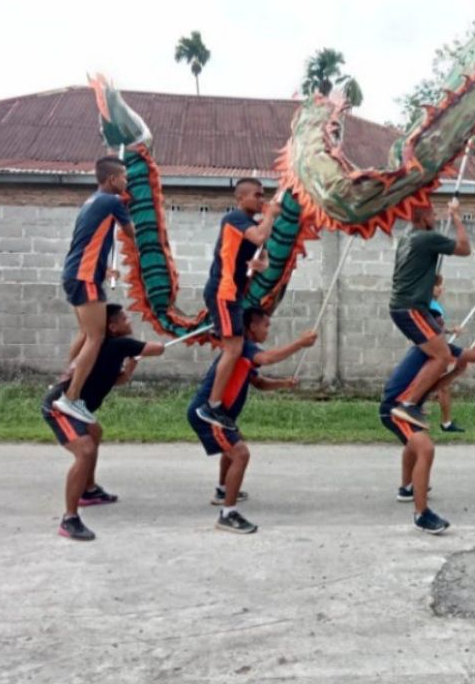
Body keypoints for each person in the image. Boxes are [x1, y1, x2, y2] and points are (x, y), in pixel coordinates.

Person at [187, 307, 317, 534]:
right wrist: (299, 343)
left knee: (234, 444)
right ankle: (227, 514)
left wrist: (284, 383)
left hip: (220, 416)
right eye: (266, 325)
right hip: (205, 414)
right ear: (252, 327)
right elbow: (267, 358)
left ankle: (222, 490)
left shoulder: (242, 354)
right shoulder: (244, 347)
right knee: (240, 453)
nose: (268, 330)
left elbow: (259, 382)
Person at [43, 303, 164, 541]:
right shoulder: (120, 344)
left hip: (79, 408)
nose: (130, 322)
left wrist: (128, 372)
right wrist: (158, 342)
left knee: (94, 433)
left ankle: (88, 491)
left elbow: (113, 380)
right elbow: (158, 349)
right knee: (86, 451)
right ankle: (69, 519)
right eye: (125, 319)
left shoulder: (108, 348)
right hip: (59, 408)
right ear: (113, 327)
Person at [380, 325, 475, 533]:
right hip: (394, 409)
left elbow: (430, 387)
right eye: (435, 322)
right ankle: (421, 514)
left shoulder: (434, 349)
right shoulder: (433, 348)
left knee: (414, 444)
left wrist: (456, 372)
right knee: (425, 448)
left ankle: (407, 489)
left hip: (402, 408)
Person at [195, 178, 282, 431]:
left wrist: (259, 264)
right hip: (223, 292)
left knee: (234, 346)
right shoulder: (234, 219)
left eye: (263, 195)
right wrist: (272, 214)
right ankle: (212, 405)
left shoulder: (248, 224)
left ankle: (215, 402)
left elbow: (262, 254)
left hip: (233, 294)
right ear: (240, 199)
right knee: (233, 348)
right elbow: (259, 236)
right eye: (257, 195)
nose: (261, 200)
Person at [54, 156, 133, 423]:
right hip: (84, 276)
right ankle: (72, 397)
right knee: (97, 337)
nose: (126, 181)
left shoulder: (93, 201)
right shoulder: (112, 201)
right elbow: (132, 233)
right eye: (123, 176)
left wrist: (104, 270)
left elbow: (90, 241)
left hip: (78, 273)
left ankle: (67, 380)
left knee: (87, 333)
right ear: (112, 179)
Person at [388, 200, 471, 428]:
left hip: (404, 307)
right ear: (423, 217)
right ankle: (408, 404)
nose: (435, 218)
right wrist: (455, 216)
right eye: (433, 214)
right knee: (443, 356)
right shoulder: (427, 238)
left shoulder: (406, 239)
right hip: (411, 307)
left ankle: (413, 401)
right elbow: (465, 248)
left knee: (435, 355)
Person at [428, 275, 467, 433]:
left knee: (443, 387)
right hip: (435, 350)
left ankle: (446, 423)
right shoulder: (429, 306)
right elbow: (433, 329)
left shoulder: (433, 305)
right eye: (438, 285)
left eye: (441, 285)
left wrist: (451, 330)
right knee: (441, 386)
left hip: (439, 348)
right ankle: (445, 423)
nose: (441, 288)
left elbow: (436, 327)